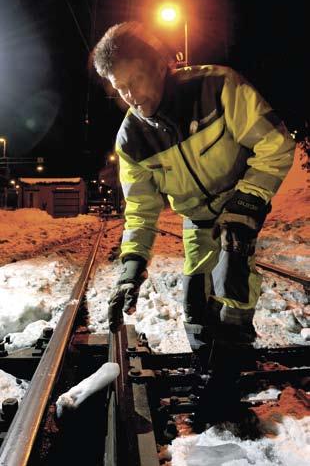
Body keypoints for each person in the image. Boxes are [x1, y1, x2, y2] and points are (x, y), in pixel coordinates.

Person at [91, 22, 295, 404]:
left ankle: (229, 372)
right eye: (121, 88)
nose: (131, 95)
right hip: (197, 221)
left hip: (238, 203)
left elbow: (275, 144)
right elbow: (140, 208)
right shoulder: (131, 139)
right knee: (195, 302)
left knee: (233, 279)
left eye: (135, 79)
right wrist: (131, 267)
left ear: (157, 64)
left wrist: (247, 203)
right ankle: (209, 366)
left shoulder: (218, 88)